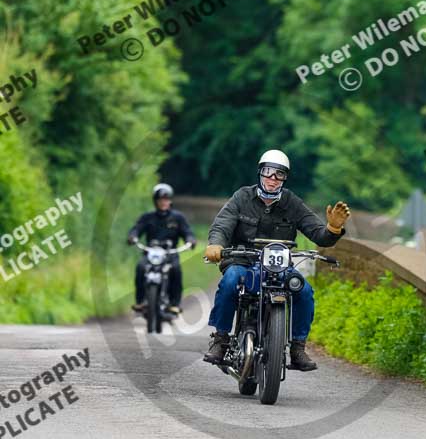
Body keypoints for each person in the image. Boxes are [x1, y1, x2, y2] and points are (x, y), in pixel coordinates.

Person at [203, 150, 350, 371]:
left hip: (279, 267)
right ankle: (221, 339)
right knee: (231, 280)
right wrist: (216, 244)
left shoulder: (292, 203)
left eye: (279, 174)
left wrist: (333, 229)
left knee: (303, 290)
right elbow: (222, 225)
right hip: (243, 261)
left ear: (284, 177)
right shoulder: (242, 197)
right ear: (260, 173)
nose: (272, 179)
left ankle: (298, 348)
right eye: (268, 172)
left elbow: (318, 234)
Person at [127, 183, 197, 315]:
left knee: (176, 270)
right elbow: (136, 229)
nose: (163, 202)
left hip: (170, 254)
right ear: (155, 201)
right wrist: (132, 236)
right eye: (160, 200)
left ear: (170, 200)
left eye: (166, 199)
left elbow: (187, 231)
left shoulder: (178, 218)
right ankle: (141, 301)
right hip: (150, 254)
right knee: (141, 267)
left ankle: (174, 304)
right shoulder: (147, 217)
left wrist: (190, 239)